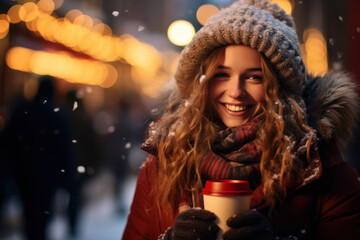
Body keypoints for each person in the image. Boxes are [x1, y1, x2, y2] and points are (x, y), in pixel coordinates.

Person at [123, 0, 360, 239]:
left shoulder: (323, 172)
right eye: (221, 75)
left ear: (280, 89)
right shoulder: (164, 165)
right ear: (200, 83)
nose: (235, 91)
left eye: (255, 77)